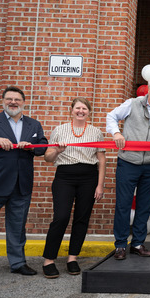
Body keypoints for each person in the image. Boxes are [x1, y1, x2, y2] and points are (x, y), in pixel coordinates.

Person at [0, 86, 48, 285]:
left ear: (24, 102)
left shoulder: (34, 124)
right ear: (3, 101)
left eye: (17, 99)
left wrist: (31, 147)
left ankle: (18, 263)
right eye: (9, 99)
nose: (13, 102)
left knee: (17, 228)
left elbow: (43, 147)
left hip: (21, 184)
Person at [107, 77, 150, 260]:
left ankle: (137, 243)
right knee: (123, 205)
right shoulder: (132, 103)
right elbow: (111, 116)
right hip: (128, 162)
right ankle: (120, 245)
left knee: (144, 206)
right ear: (148, 89)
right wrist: (117, 132)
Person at [41, 97, 106, 278]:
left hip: (89, 177)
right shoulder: (59, 130)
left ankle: (72, 258)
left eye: (84, 108)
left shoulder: (96, 132)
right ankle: (49, 260)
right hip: (64, 176)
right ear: (71, 110)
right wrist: (57, 151)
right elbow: (48, 157)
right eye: (78, 108)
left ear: (89, 112)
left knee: (81, 218)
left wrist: (100, 185)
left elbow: (101, 159)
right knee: (60, 217)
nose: (81, 111)